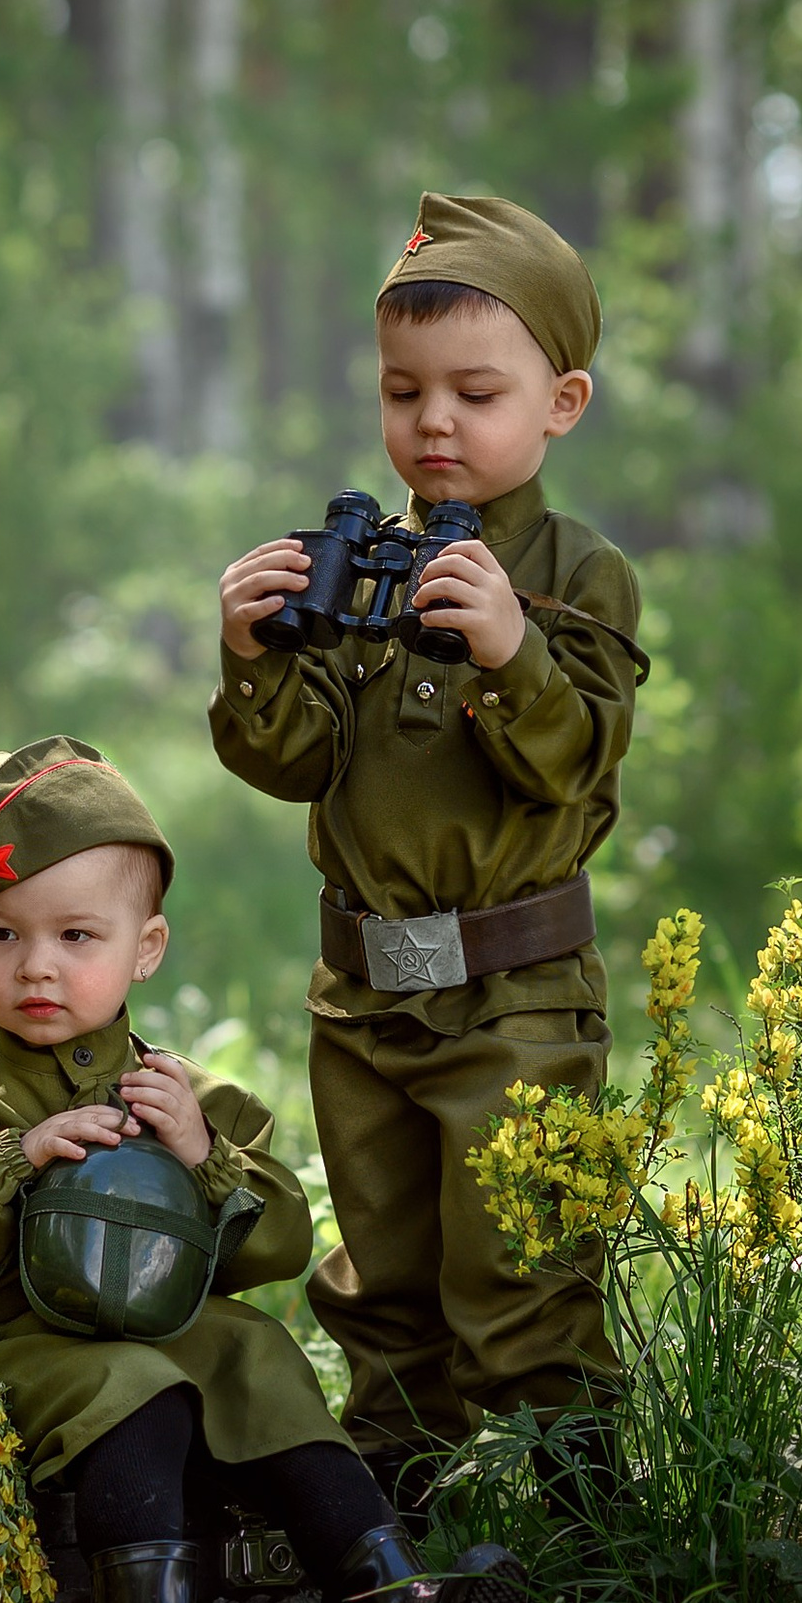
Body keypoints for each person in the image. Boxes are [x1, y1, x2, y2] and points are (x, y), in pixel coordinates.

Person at [0, 735, 526, 1603]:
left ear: (144, 948)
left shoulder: (189, 1097)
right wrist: (14, 1154)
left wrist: (203, 1155)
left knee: (252, 1351)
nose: (35, 965)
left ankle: (389, 1595)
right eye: (2, 934)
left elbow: (278, 1241)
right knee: (133, 1376)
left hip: (163, 1337)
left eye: (76, 936)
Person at [208, 194, 648, 1520]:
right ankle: (398, 1519)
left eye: (476, 391)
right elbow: (291, 760)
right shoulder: (370, 567)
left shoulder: (579, 573)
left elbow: (574, 760)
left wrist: (513, 647)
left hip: (515, 1000)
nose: (435, 423)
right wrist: (250, 653)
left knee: (522, 1271)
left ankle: (579, 1537)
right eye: (405, 392)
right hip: (364, 999)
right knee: (383, 1273)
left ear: (562, 401)